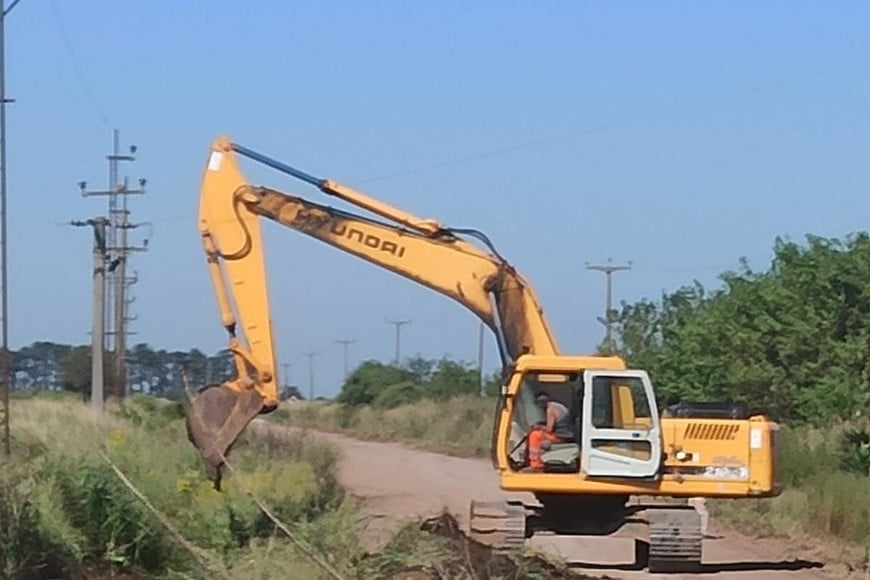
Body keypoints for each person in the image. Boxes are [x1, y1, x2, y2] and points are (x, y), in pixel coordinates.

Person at [526, 391, 571, 470]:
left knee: (534, 435)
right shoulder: (556, 406)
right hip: (566, 434)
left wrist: (538, 426)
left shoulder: (550, 409)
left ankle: (536, 463)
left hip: (560, 437)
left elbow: (549, 429)